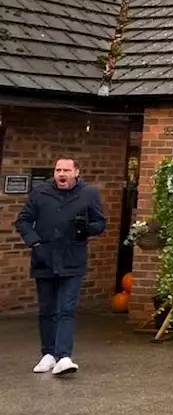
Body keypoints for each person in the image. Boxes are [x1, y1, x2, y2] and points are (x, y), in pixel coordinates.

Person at [16, 157, 106, 376]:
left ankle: (64, 356)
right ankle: (48, 354)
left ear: (76, 172)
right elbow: (23, 220)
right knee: (47, 310)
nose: (61, 174)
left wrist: (87, 228)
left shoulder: (89, 194)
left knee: (66, 308)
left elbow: (100, 223)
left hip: (72, 258)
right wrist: (34, 241)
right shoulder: (40, 192)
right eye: (58, 170)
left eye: (66, 170)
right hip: (44, 257)